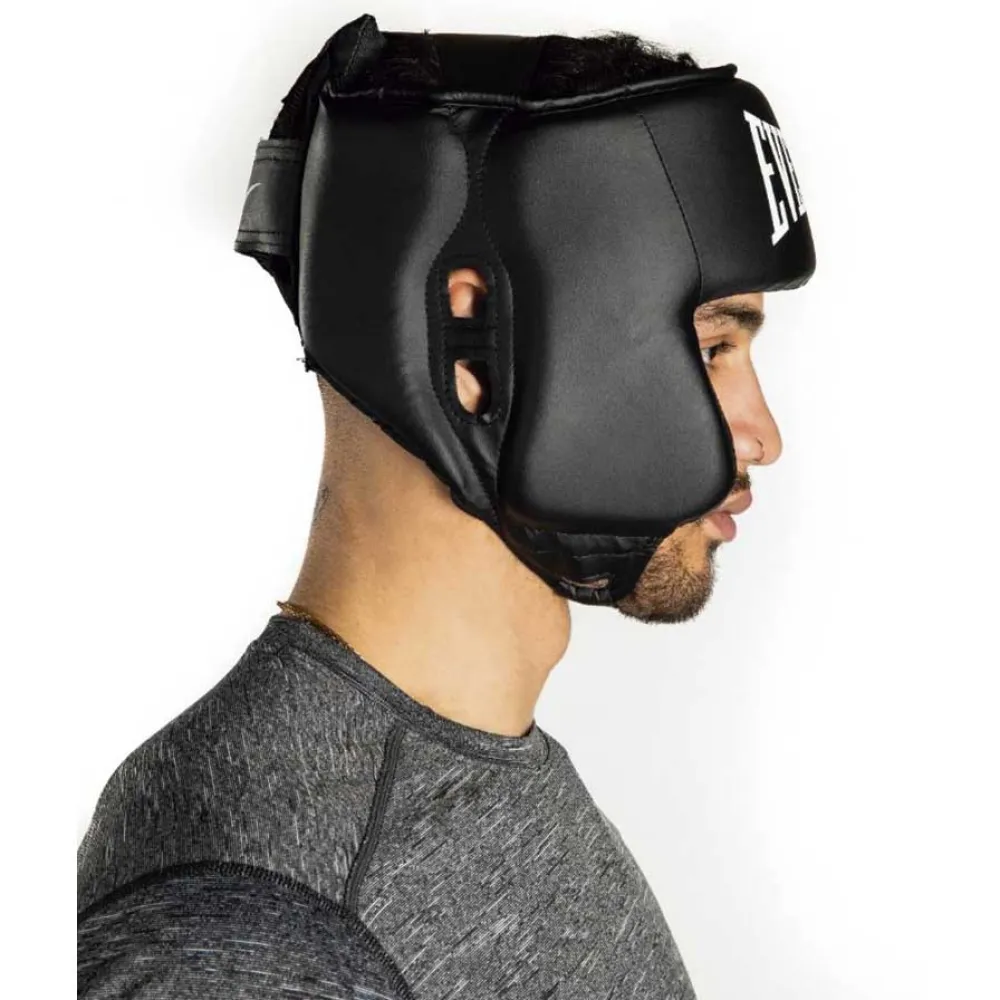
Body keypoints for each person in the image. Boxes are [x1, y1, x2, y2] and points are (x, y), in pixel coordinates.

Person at [78, 21, 797, 1000]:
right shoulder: (258, 927)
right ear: (474, 341)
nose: (762, 435)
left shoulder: (464, 776)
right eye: (713, 349)